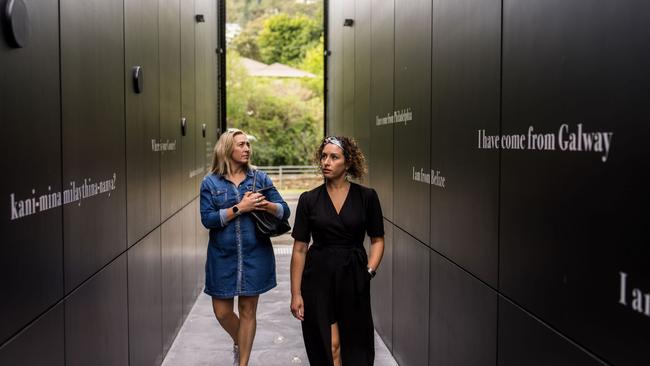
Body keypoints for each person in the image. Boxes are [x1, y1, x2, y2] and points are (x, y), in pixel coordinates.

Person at [290, 136, 385, 366]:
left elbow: (377, 240)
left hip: (353, 277)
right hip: (317, 279)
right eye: (323, 156)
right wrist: (296, 293)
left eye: (334, 157)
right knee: (328, 345)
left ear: (348, 162)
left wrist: (368, 272)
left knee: (355, 343)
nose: (326, 162)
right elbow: (300, 249)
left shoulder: (367, 197)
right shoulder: (308, 200)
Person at [200, 128, 290, 366]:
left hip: (255, 255)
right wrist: (240, 207)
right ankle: (240, 340)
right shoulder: (210, 182)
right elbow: (207, 219)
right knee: (222, 312)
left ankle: (243, 363)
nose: (247, 148)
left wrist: (266, 205)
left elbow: (284, 211)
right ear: (227, 149)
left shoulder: (259, 178)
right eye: (241, 144)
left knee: (249, 311)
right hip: (222, 257)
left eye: (247, 145)